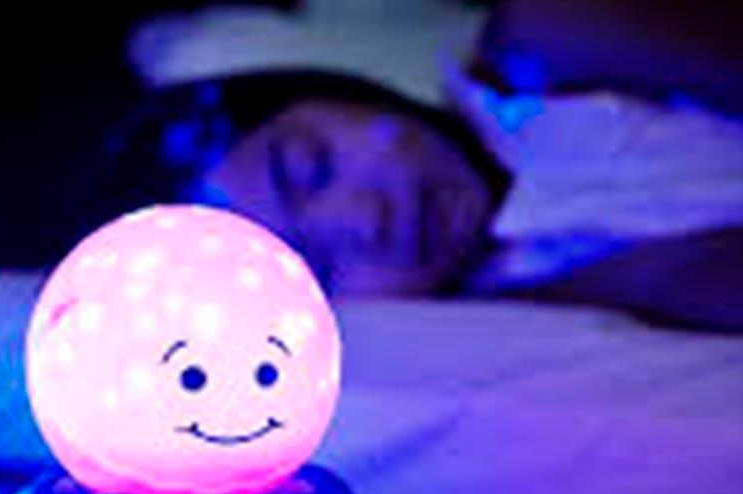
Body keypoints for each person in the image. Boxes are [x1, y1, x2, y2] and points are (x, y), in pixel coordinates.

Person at [98, 0, 743, 331]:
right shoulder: (520, 315)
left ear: (333, 91)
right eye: (318, 271)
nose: (367, 220)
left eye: (313, 166)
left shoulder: (545, 45)